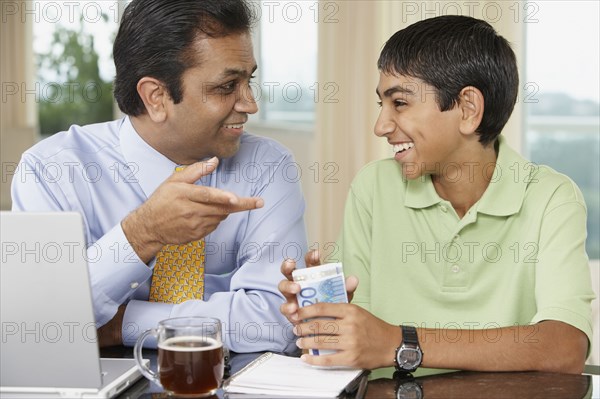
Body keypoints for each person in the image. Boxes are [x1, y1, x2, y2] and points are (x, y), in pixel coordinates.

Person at [279, 15, 595, 374]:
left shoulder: (552, 198)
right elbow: (358, 344)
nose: (380, 126)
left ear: (467, 109)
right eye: (380, 105)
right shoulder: (373, 188)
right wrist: (325, 318)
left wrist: (400, 342)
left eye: (399, 103)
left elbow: (565, 347)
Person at [11, 0, 306, 353]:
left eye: (249, 80)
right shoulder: (52, 170)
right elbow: (37, 323)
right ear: (156, 97)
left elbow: (276, 323)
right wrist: (142, 232)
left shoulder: (267, 165)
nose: (249, 103)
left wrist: (125, 324)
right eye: (227, 86)